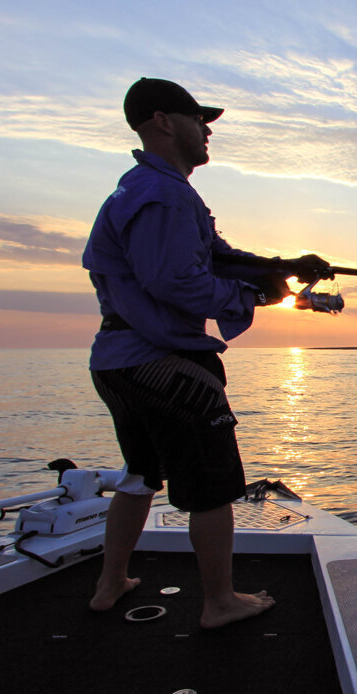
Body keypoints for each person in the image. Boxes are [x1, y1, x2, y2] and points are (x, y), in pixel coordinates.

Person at [83, 77, 309, 627]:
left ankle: (111, 582)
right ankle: (219, 603)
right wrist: (255, 292)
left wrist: (281, 268)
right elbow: (176, 282)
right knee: (211, 489)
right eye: (197, 119)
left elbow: (215, 256)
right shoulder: (164, 195)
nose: (207, 130)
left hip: (116, 361)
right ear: (163, 121)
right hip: (167, 364)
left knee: (140, 475)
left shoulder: (140, 188)